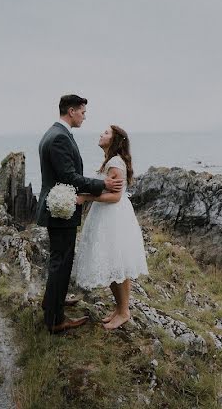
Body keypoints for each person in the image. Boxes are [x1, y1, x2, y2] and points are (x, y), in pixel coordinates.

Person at [36, 94, 121, 334]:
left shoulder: (54, 133)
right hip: (60, 210)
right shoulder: (60, 138)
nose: (84, 116)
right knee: (61, 263)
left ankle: (52, 302)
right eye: (82, 112)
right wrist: (102, 184)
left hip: (56, 208)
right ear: (71, 111)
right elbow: (69, 178)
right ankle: (55, 320)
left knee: (59, 260)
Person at [73, 124, 149, 330]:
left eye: (106, 133)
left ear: (115, 140)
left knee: (118, 264)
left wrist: (86, 197)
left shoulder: (115, 162)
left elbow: (115, 197)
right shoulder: (112, 161)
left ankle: (124, 312)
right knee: (114, 264)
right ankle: (119, 308)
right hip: (108, 215)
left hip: (113, 217)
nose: (100, 134)